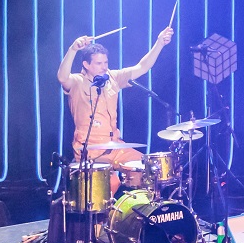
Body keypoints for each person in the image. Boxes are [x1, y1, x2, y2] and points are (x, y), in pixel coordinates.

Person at [57, 24, 174, 167]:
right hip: (90, 151)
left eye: (105, 62)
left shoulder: (112, 77)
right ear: (86, 65)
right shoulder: (77, 82)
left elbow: (142, 67)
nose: (104, 67)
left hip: (115, 145)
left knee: (147, 167)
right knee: (109, 179)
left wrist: (160, 43)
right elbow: (62, 77)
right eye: (99, 63)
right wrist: (73, 49)